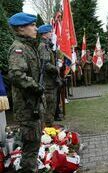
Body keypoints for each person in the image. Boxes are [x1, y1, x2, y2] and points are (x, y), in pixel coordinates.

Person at [8, 12, 43, 172]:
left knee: (34, 145)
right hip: (26, 106)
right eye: (32, 25)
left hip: (33, 105)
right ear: (21, 28)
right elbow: (16, 75)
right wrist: (35, 86)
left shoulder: (29, 46)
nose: (36, 28)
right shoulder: (18, 48)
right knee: (30, 148)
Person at [38, 24, 62, 125]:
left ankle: (49, 127)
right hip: (48, 83)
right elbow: (45, 64)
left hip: (50, 82)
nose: (52, 34)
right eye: (50, 32)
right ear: (45, 34)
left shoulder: (47, 45)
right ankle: (48, 131)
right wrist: (56, 69)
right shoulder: (43, 46)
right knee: (49, 107)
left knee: (51, 107)